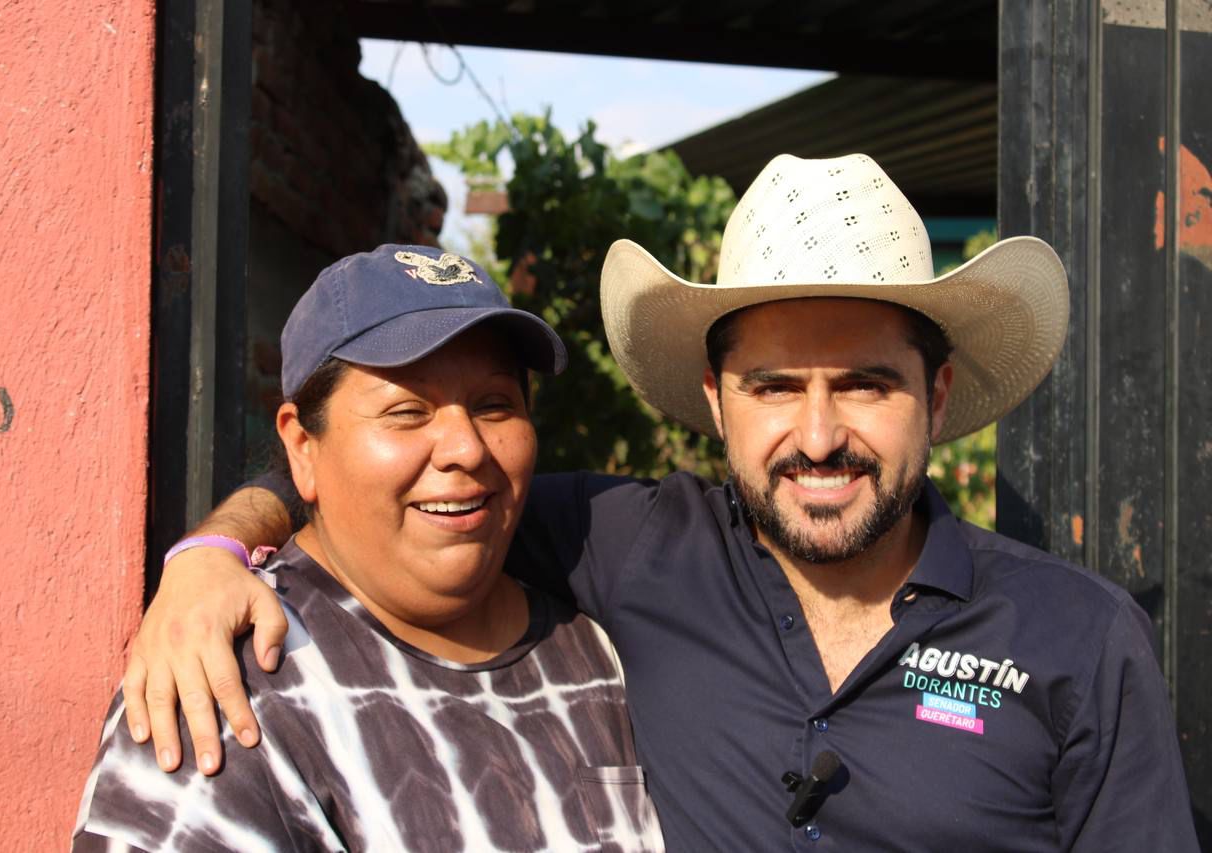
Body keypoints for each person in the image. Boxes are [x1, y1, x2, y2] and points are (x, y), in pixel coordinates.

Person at [122, 156, 1199, 851]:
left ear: (940, 394)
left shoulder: (1077, 639)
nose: (818, 435)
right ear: (715, 401)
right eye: (773, 387)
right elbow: (401, 491)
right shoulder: (629, 546)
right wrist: (213, 552)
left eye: (866, 384)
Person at [72, 245, 664, 851]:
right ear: (303, 447)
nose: (465, 447)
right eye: (407, 411)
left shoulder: (602, 649)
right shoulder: (227, 689)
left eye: (494, 405)